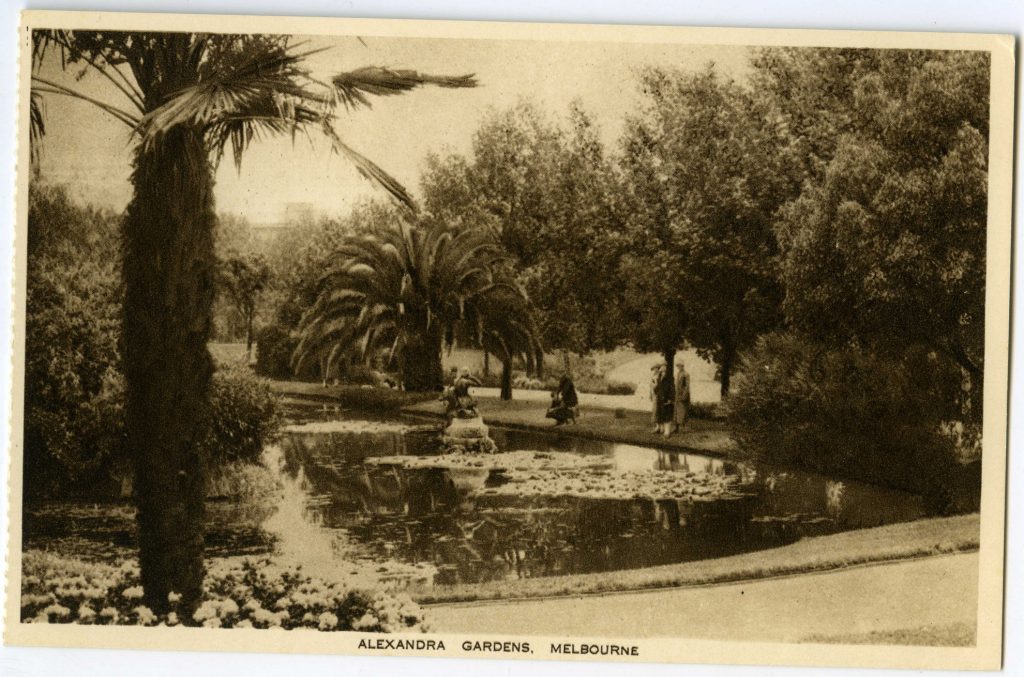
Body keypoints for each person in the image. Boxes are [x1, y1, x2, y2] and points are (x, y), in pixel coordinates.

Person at [654, 365, 675, 436]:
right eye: (661, 371)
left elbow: (672, 389)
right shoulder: (659, 379)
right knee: (661, 415)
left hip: (666, 400)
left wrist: (670, 399)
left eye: (664, 371)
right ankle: (663, 430)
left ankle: (667, 431)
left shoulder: (669, 379)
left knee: (667, 416)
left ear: (666, 372)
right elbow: (657, 389)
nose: (663, 373)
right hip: (660, 400)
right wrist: (655, 388)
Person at [674, 362, 691, 431]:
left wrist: (684, 395)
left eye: (680, 366)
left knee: (683, 411)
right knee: (676, 411)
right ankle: (676, 427)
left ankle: (683, 427)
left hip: (683, 394)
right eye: (678, 366)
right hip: (677, 394)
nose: (679, 367)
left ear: (683, 366)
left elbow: (687, 386)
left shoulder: (686, 374)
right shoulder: (678, 374)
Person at [649, 363, 664, 433]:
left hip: (657, 394)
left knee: (657, 410)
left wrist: (653, 384)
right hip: (653, 394)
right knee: (655, 410)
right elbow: (651, 387)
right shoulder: (654, 375)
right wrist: (650, 394)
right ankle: (658, 426)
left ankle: (659, 427)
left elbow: (657, 385)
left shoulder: (658, 376)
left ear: (658, 368)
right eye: (654, 368)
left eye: (656, 368)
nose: (654, 370)